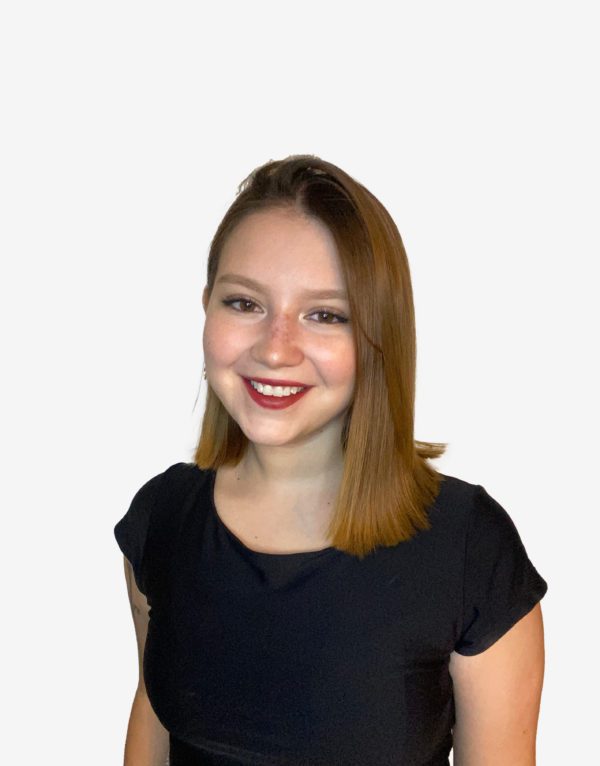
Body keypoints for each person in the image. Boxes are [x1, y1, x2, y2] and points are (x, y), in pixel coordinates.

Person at [114, 155, 547, 765]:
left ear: (378, 336)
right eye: (245, 303)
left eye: (324, 315)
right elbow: (153, 718)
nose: (276, 349)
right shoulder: (162, 519)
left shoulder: (469, 548)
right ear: (207, 306)